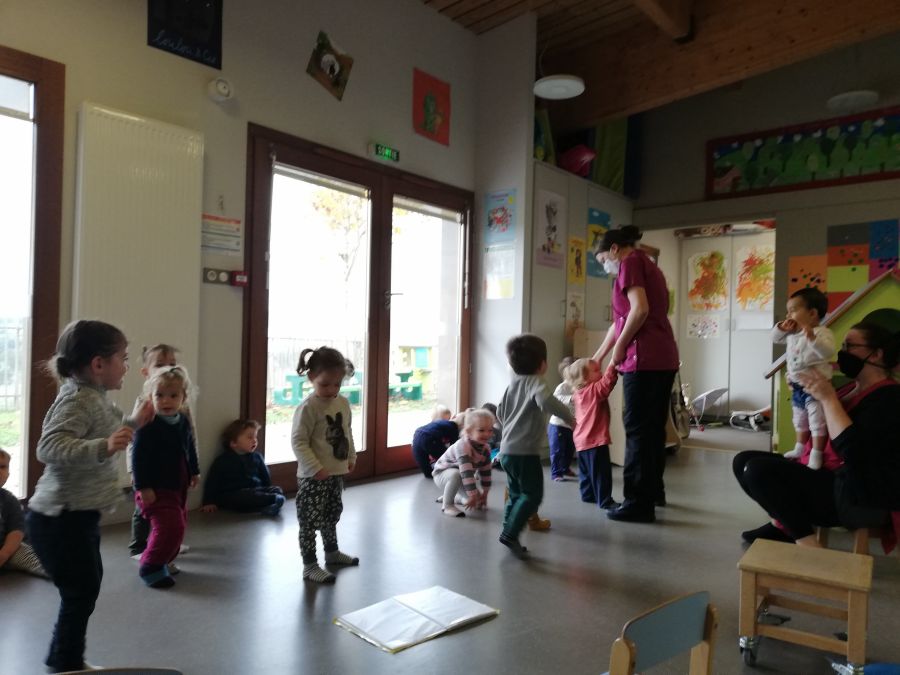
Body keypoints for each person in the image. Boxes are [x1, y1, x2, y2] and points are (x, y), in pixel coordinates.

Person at [26, 319, 153, 673]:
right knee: (81, 591)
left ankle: (63, 658)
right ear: (98, 364)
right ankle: (65, 662)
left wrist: (135, 422)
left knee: (86, 587)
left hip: (79, 515)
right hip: (60, 517)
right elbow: (49, 447)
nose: (126, 366)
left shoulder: (95, 398)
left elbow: (110, 431)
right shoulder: (78, 399)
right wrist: (103, 446)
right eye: (122, 359)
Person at [734, 322, 900, 547]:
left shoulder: (890, 398)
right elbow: (818, 425)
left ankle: (807, 544)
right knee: (742, 460)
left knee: (758, 470)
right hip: (831, 475)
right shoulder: (850, 388)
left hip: (858, 495)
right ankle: (784, 526)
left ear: (877, 354)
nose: (842, 352)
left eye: (849, 346)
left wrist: (828, 398)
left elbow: (853, 451)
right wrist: (803, 392)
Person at [593, 225, 678, 523]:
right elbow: (621, 320)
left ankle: (638, 503)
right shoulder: (648, 265)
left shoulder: (629, 264)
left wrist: (620, 349)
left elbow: (639, 311)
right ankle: (653, 492)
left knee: (639, 429)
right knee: (653, 429)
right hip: (662, 357)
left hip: (644, 359)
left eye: (603, 259)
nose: (605, 266)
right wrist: (599, 356)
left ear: (614, 249)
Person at [497, 334, 575, 559]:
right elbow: (546, 401)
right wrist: (569, 417)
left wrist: (510, 428)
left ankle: (508, 528)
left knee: (515, 493)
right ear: (543, 364)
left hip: (506, 451)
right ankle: (511, 533)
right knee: (532, 495)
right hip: (525, 453)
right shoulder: (536, 382)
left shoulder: (512, 385)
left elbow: (500, 412)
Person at [292, 346, 359, 583]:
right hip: (313, 477)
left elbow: (347, 432)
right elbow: (298, 442)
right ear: (312, 377)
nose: (331, 390)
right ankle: (310, 565)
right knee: (309, 521)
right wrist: (315, 467)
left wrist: (351, 457)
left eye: (337, 384)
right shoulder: (308, 407)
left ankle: (332, 553)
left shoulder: (343, 403)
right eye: (325, 384)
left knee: (331, 515)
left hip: (335, 474)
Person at [131, 366, 200, 588]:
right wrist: (143, 487)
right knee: (170, 526)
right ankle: (150, 566)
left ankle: (163, 561)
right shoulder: (148, 425)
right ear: (150, 397)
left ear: (183, 397)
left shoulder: (182, 421)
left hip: (177, 485)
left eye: (173, 395)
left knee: (179, 525)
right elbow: (138, 457)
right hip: (155, 488)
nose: (166, 401)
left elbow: (189, 447)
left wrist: (194, 470)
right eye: (159, 395)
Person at [771, 288, 835, 470]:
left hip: (815, 388)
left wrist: (812, 339)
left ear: (812, 313)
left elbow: (828, 352)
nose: (788, 315)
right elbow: (774, 339)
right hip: (797, 386)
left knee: (817, 421)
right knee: (799, 419)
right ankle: (800, 447)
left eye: (793, 310)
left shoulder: (822, 333)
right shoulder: (792, 334)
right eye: (788, 311)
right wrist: (781, 328)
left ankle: (817, 453)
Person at [200, 419, 285, 516]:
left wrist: (268, 488)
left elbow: (265, 475)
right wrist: (208, 501)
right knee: (243, 497)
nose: (255, 440)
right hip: (235, 493)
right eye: (250, 437)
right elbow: (212, 481)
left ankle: (272, 500)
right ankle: (273, 500)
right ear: (233, 443)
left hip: (256, 490)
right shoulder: (223, 460)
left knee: (277, 489)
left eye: (255, 437)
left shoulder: (257, 457)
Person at [569, 358, 620, 510]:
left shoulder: (578, 393)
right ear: (585, 378)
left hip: (581, 440)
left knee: (586, 471)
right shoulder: (593, 391)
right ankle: (605, 501)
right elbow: (607, 383)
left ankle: (587, 494)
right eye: (596, 371)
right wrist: (613, 364)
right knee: (601, 473)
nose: (601, 372)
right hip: (595, 440)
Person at [432, 408, 494, 517]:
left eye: (490, 430)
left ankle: (455, 497)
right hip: (442, 475)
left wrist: (485, 494)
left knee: (478, 504)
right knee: (456, 475)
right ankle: (447, 505)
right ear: (469, 431)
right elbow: (467, 473)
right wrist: (472, 495)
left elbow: (486, 473)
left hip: (461, 477)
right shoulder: (462, 446)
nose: (487, 434)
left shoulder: (486, 449)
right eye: (481, 430)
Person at [0, 448, 48, 578]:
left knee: (27, 555)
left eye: (2, 467)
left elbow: (16, 531)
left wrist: (4, 554)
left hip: (8, 547)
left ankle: (56, 571)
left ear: (8, 473)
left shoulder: (9, 500)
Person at [548, 357, 577, 482]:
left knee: (570, 449)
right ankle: (556, 472)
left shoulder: (578, 386)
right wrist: (571, 398)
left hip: (571, 425)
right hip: (558, 424)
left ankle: (565, 468)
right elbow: (556, 398)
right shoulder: (563, 386)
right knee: (557, 450)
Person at [411, 412, 461, 478]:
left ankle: (427, 473)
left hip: (418, 434)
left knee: (420, 457)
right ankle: (447, 471)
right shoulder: (454, 427)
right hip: (429, 437)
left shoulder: (441, 423)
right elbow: (454, 446)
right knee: (444, 456)